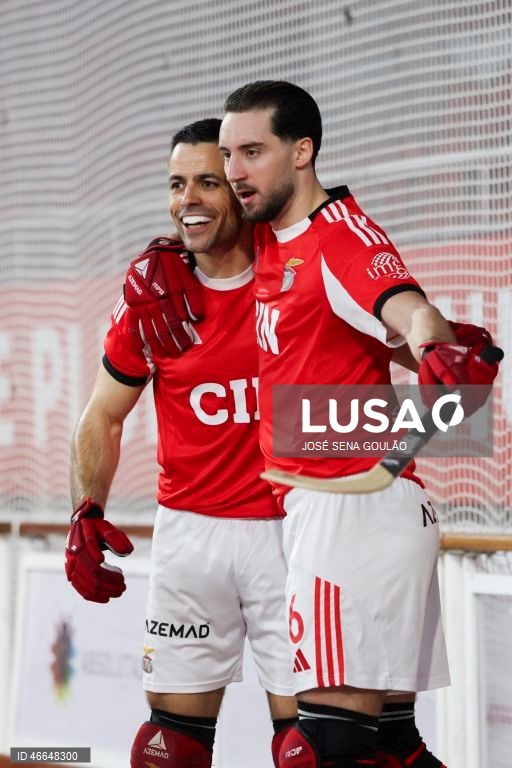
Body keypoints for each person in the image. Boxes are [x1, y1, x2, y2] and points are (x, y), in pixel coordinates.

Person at [218, 81, 501, 768]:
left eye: (252, 152)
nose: (234, 171)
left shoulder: (339, 238)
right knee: (391, 750)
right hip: (339, 507)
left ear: (302, 151)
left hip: (351, 510)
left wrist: (436, 347)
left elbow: (409, 308)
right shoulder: (272, 235)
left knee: (321, 749)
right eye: (228, 155)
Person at [66, 118, 297, 768]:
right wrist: (86, 509)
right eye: (175, 184)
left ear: (242, 190)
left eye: (207, 182)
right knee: (167, 750)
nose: (187, 199)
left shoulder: (298, 270)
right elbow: (102, 416)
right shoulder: (152, 296)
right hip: (191, 537)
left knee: (312, 747)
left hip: (293, 531)